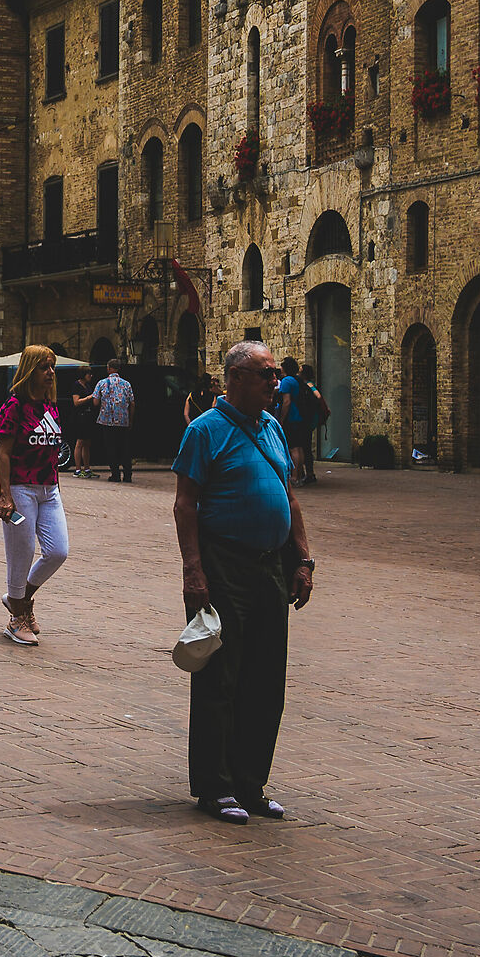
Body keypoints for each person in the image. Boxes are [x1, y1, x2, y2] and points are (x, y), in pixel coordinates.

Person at [174, 337, 317, 825]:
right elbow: (185, 505)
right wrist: (194, 570)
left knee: (266, 678)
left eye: (275, 373)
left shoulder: (272, 427)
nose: (275, 382)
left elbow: (290, 497)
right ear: (235, 378)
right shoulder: (205, 431)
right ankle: (216, 786)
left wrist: (303, 560)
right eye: (266, 374)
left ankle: (251, 783)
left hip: (270, 566)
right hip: (224, 565)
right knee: (221, 678)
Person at [0, 347, 70, 647]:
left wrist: (57, 486)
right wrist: (5, 496)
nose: (50, 372)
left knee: (57, 551)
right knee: (21, 553)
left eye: (52, 367)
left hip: (49, 490)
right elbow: (3, 453)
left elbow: (52, 452)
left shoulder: (51, 407)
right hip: (21, 488)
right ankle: (17, 618)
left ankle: (19, 599)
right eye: (43, 367)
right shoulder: (14, 406)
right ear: (29, 371)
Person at [93, 358, 136, 482]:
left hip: (107, 421)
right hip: (123, 421)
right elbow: (132, 403)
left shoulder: (102, 383)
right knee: (125, 448)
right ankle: (127, 474)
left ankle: (115, 474)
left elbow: (95, 402)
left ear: (109, 368)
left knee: (111, 448)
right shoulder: (126, 384)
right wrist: (130, 420)